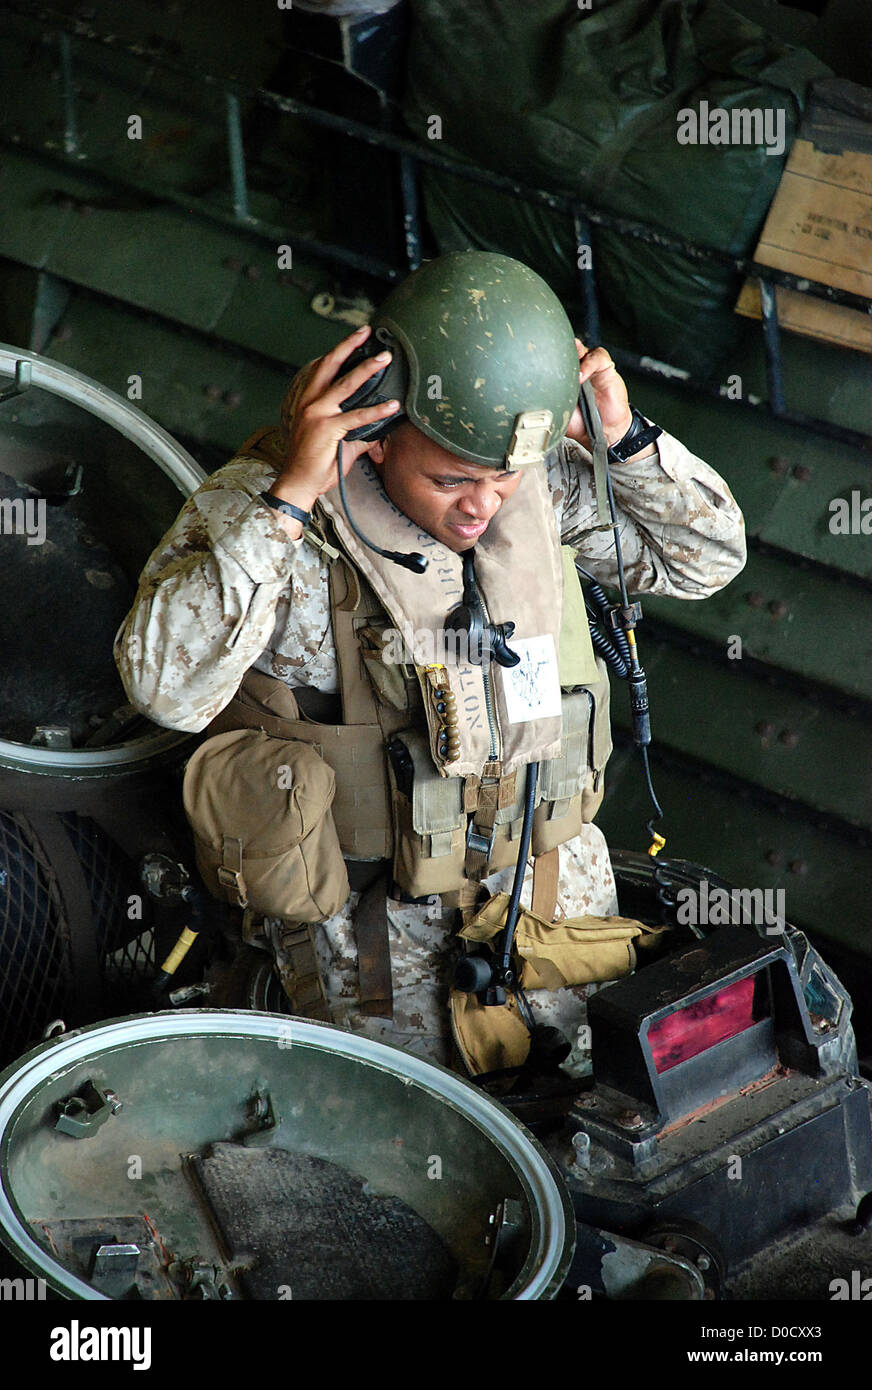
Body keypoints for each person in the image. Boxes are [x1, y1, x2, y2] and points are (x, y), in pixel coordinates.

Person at [115, 252, 746, 1072]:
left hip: (560, 913)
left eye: (502, 479)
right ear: (375, 433)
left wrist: (622, 441)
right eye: (450, 479)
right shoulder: (274, 515)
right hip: (380, 957)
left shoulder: (538, 481)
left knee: (592, 1127)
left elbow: (704, 559)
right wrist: (286, 505)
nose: (482, 506)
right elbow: (164, 687)